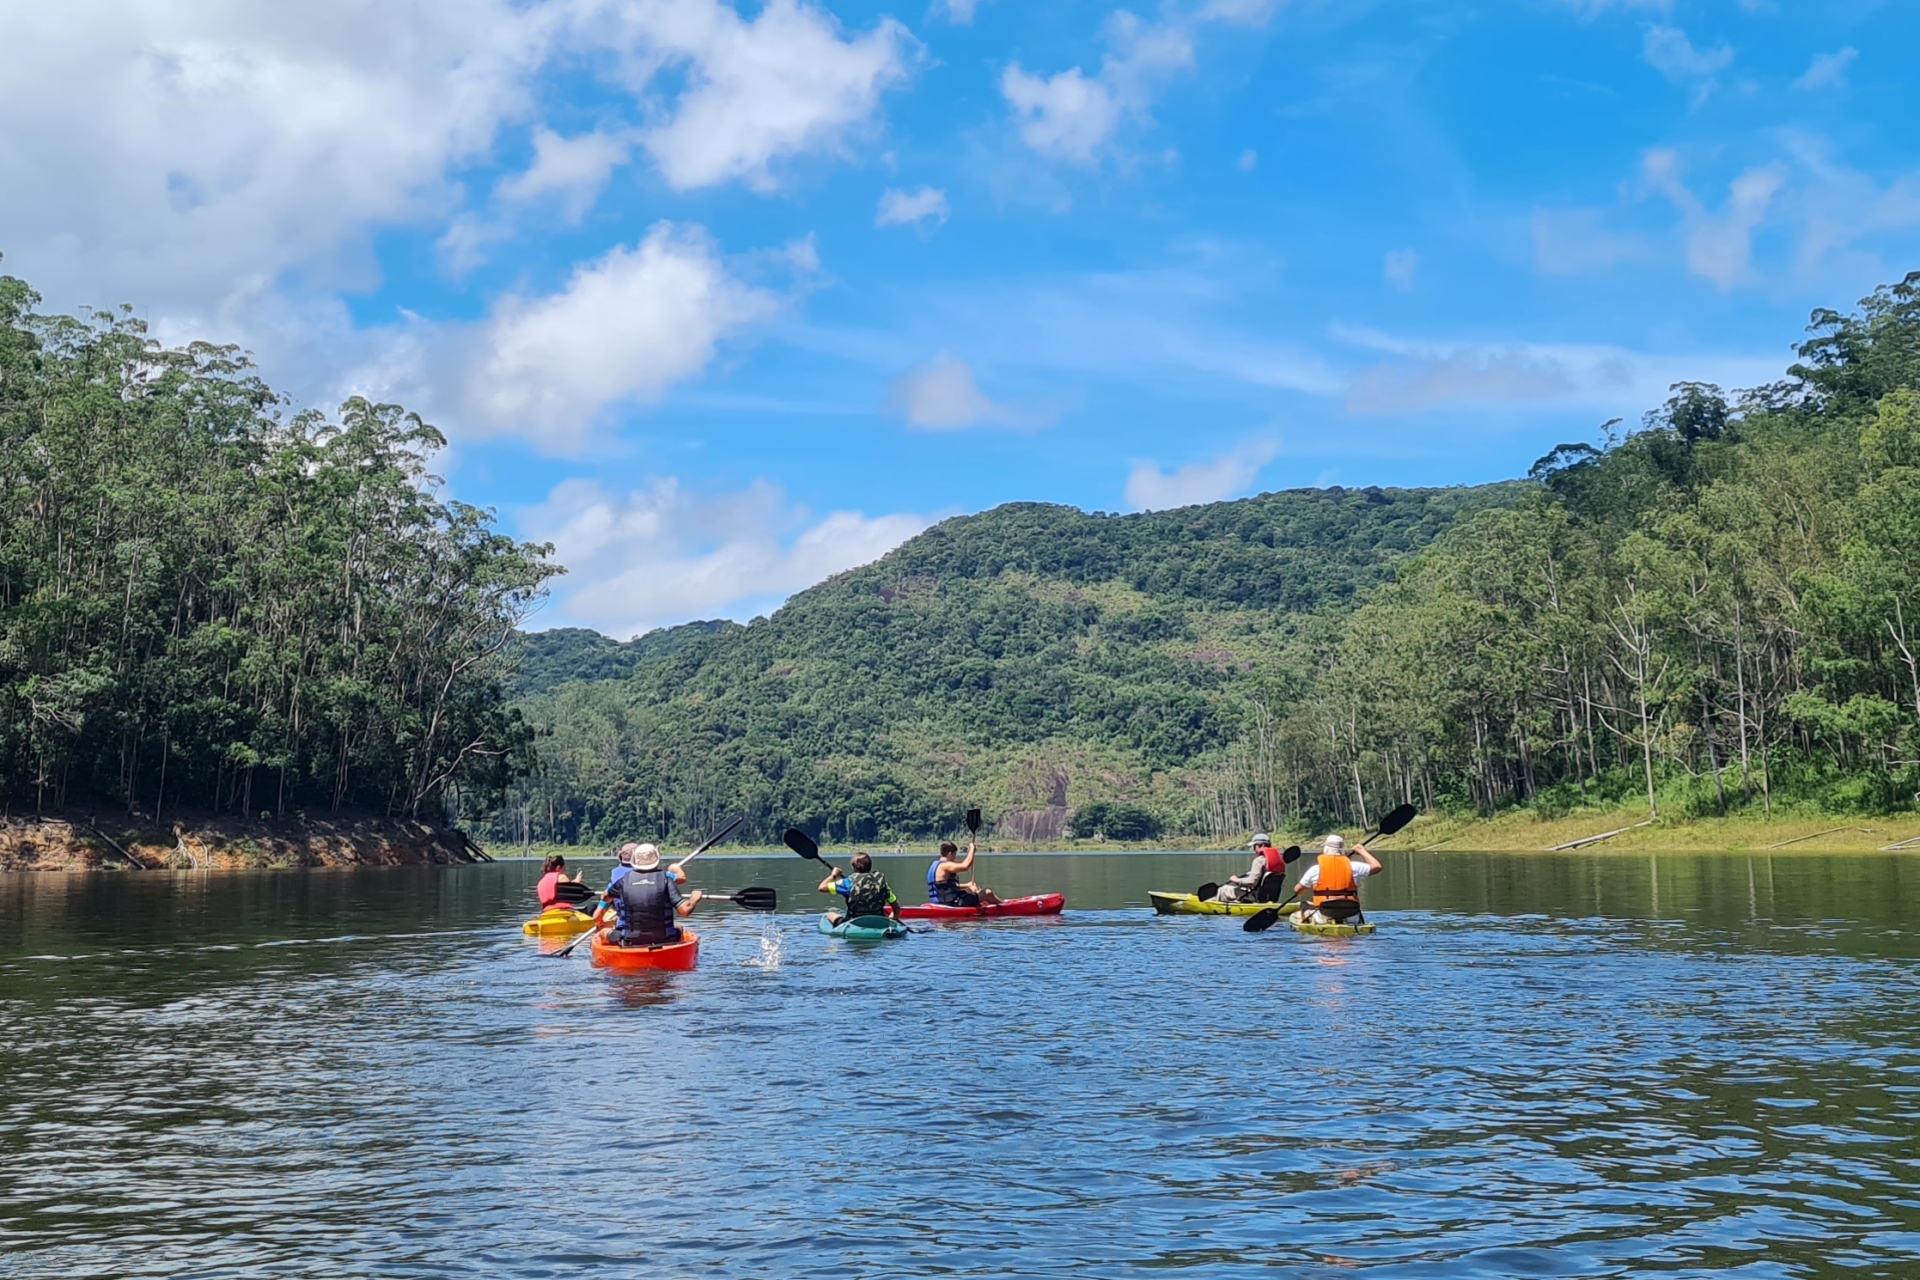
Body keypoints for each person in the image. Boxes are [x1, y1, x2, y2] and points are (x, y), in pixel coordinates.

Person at [598, 844, 702, 946]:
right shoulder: (666, 880)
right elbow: (684, 911)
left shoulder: (623, 881)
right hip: (666, 939)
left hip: (629, 942)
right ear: (656, 859)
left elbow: (604, 897)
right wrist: (694, 899)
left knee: (603, 931)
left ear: (635, 860)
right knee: (679, 928)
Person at [1291, 833, 1381, 924]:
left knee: (1304, 904)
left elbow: (1298, 890)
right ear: (1342, 850)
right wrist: (1362, 851)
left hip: (1324, 917)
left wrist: (1313, 886)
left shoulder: (1315, 869)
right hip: (1351, 917)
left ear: (1326, 849)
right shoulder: (1353, 867)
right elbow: (1377, 867)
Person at [818, 850, 897, 926]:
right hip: (879, 921)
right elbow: (896, 907)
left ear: (853, 867)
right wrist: (893, 918)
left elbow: (822, 887)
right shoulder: (881, 883)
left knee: (830, 915)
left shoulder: (847, 882)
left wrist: (834, 875)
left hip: (854, 923)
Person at [927, 838, 1001, 907]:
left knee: (972, 890)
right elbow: (965, 866)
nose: (955, 858)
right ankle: (1004, 906)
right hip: (952, 903)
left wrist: (967, 885)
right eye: (954, 855)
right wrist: (972, 849)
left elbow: (945, 887)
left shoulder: (934, 865)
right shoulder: (945, 866)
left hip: (940, 902)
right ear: (950, 854)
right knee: (987, 893)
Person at [1218, 834, 1288, 903]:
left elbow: (1252, 882)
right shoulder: (1279, 861)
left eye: (1255, 846)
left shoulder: (1259, 860)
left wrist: (1235, 880)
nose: (1254, 849)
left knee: (1223, 889)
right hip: (1271, 897)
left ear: (1261, 845)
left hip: (1254, 897)